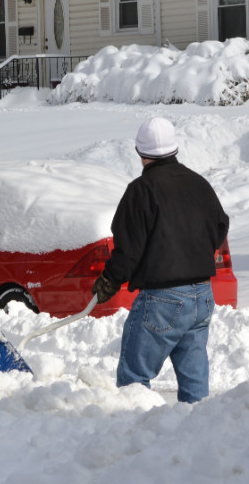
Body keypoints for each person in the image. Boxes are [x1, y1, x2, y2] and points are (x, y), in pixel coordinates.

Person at [92, 117, 229, 403]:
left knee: (133, 381)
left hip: (163, 302)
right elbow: (220, 225)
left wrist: (109, 280)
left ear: (140, 153)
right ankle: (196, 433)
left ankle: (136, 441)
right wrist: (196, 254)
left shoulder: (141, 190)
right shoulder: (199, 184)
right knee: (196, 389)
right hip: (202, 297)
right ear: (175, 148)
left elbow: (128, 249)